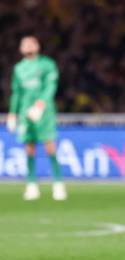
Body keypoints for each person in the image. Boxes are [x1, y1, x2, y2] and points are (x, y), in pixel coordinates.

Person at [6, 36, 66, 201]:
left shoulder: (47, 64)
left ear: (38, 46)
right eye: (24, 44)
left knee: (49, 146)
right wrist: (13, 113)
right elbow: (17, 93)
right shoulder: (19, 68)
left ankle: (58, 183)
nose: (27, 46)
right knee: (29, 147)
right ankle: (32, 184)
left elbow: (50, 86)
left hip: (44, 111)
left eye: (31, 43)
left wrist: (40, 105)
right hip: (26, 112)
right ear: (20, 48)